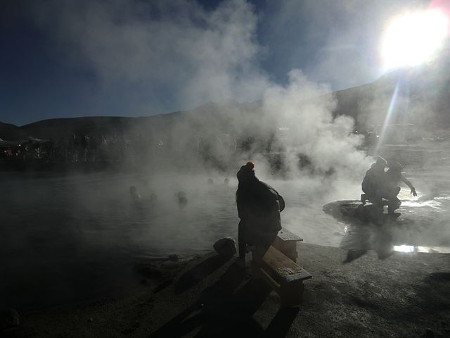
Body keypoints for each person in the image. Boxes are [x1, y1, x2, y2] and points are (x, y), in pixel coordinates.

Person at [236, 162, 285, 264]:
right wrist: (271, 214)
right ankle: (254, 246)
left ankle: (242, 259)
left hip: (264, 231)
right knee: (252, 221)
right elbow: (282, 204)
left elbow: (242, 215)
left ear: (242, 178)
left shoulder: (244, 190)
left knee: (242, 225)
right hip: (275, 228)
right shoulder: (265, 185)